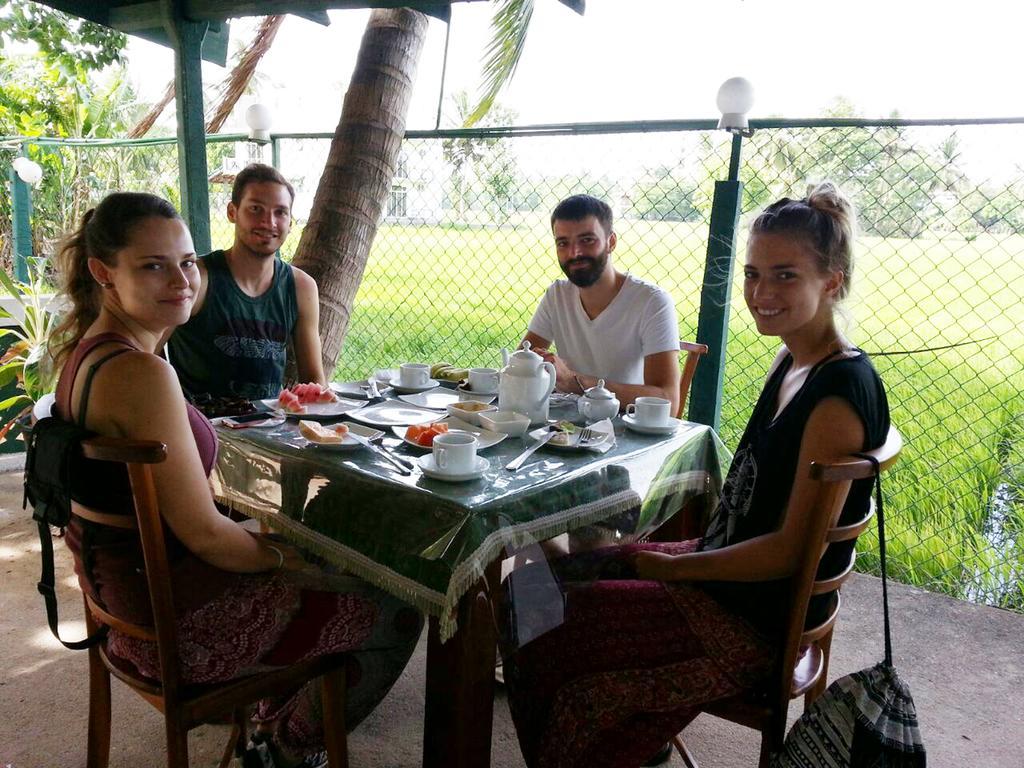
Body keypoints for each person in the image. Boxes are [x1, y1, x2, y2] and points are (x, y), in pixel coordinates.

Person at [498, 183, 891, 767]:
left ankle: (599, 743)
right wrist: (676, 560)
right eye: (753, 274)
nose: (761, 293)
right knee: (527, 589)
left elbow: (788, 553)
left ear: (831, 280)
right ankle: (625, 738)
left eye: (785, 276)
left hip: (749, 620)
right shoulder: (793, 361)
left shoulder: (837, 393)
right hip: (724, 573)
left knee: (552, 630)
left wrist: (676, 564)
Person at [50, 192, 422, 766]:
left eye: (187, 262)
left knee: (313, 553)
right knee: (394, 601)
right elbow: (205, 536)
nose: (180, 279)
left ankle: (277, 721)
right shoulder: (142, 373)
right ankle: (283, 751)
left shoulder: (89, 355)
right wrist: (287, 560)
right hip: (177, 626)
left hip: (122, 604)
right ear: (104, 273)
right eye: (153, 265)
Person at [168, 163, 326, 401]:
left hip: (270, 429)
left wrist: (315, 401)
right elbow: (149, 351)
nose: (268, 222)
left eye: (280, 212)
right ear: (233, 212)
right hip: (202, 429)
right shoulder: (198, 278)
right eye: (255, 209)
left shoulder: (301, 287)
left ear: (290, 223)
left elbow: (314, 380)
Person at [522, 194, 682, 412]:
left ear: (611, 242)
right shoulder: (557, 295)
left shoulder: (651, 302)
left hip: (628, 429)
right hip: (565, 429)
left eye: (587, 240)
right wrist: (530, 364)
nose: (574, 253)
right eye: (563, 243)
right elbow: (522, 361)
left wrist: (575, 381)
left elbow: (668, 401)